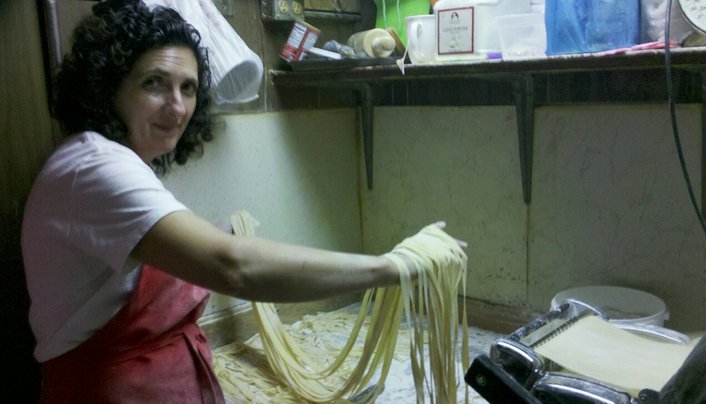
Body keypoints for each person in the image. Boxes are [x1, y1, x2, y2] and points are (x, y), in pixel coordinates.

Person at [20, 1, 466, 402]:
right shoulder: (95, 167)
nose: (176, 107)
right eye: (154, 83)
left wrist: (216, 234)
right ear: (109, 87)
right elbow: (235, 267)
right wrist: (395, 266)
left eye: (188, 88)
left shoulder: (116, 162)